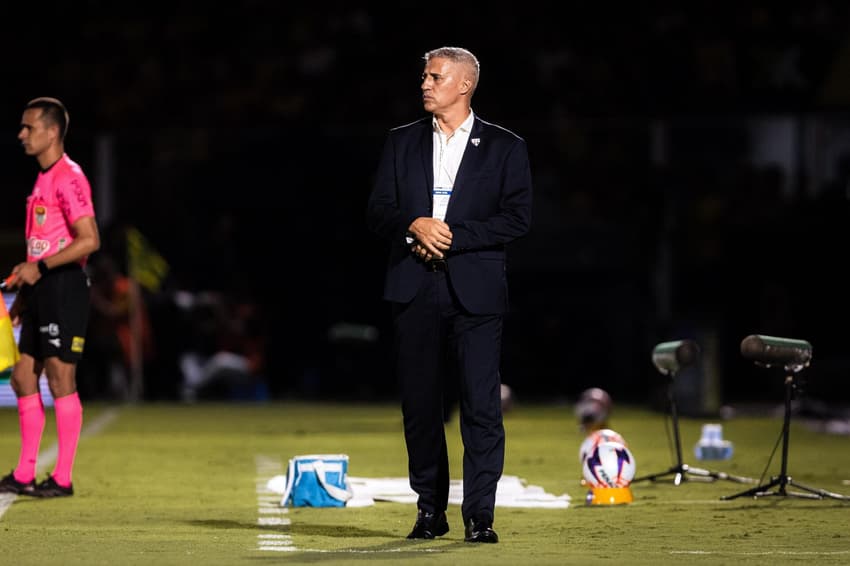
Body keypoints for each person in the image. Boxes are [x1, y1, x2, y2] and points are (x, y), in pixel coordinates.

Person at [366, 46, 533, 543]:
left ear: (464, 85)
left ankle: (479, 516)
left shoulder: (505, 146)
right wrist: (412, 225)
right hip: (414, 285)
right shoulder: (400, 142)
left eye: (434, 76)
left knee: (481, 407)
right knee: (420, 405)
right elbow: (378, 210)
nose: (424, 83)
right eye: (423, 75)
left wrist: (453, 236)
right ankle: (429, 511)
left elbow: (517, 218)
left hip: (475, 289)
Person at [0, 97, 100, 497]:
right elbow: (42, 241)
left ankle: (62, 478)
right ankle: (24, 474)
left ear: (52, 132)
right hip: (41, 288)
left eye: (29, 127)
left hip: (63, 287)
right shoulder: (43, 178)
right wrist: (26, 291)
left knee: (60, 379)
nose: (22, 134)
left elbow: (89, 239)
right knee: (24, 377)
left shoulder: (69, 177)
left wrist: (39, 270)